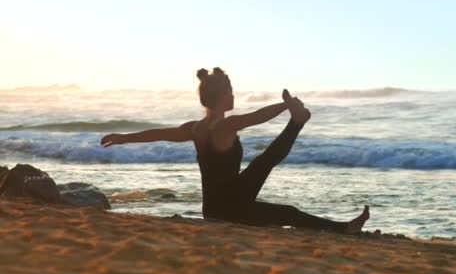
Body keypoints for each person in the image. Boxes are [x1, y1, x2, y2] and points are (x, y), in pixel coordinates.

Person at [101, 67, 369, 233]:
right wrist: (285, 105)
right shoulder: (226, 126)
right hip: (232, 208)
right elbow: (256, 116)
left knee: (271, 181)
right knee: (273, 181)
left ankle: (297, 122)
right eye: (231, 92)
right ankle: (344, 228)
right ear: (222, 96)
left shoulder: (195, 128)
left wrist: (123, 138)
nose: (234, 97)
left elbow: (158, 134)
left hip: (215, 208)